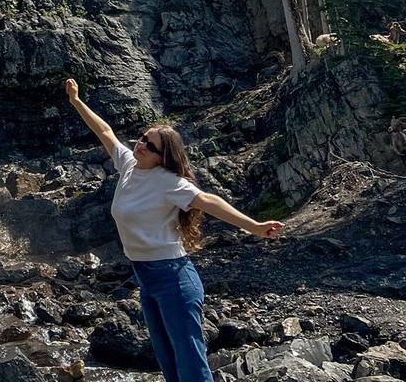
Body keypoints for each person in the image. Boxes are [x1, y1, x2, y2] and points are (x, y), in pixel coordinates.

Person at [63, 78, 283, 382]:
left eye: (149, 145)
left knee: (190, 364)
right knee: (167, 361)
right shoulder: (128, 164)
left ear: (161, 157)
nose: (140, 144)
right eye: (142, 137)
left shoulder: (169, 182)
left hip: (173, 279)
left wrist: (254, 227)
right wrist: (76, 100)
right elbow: (105, 132)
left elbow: (207, 200)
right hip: (146, 277)